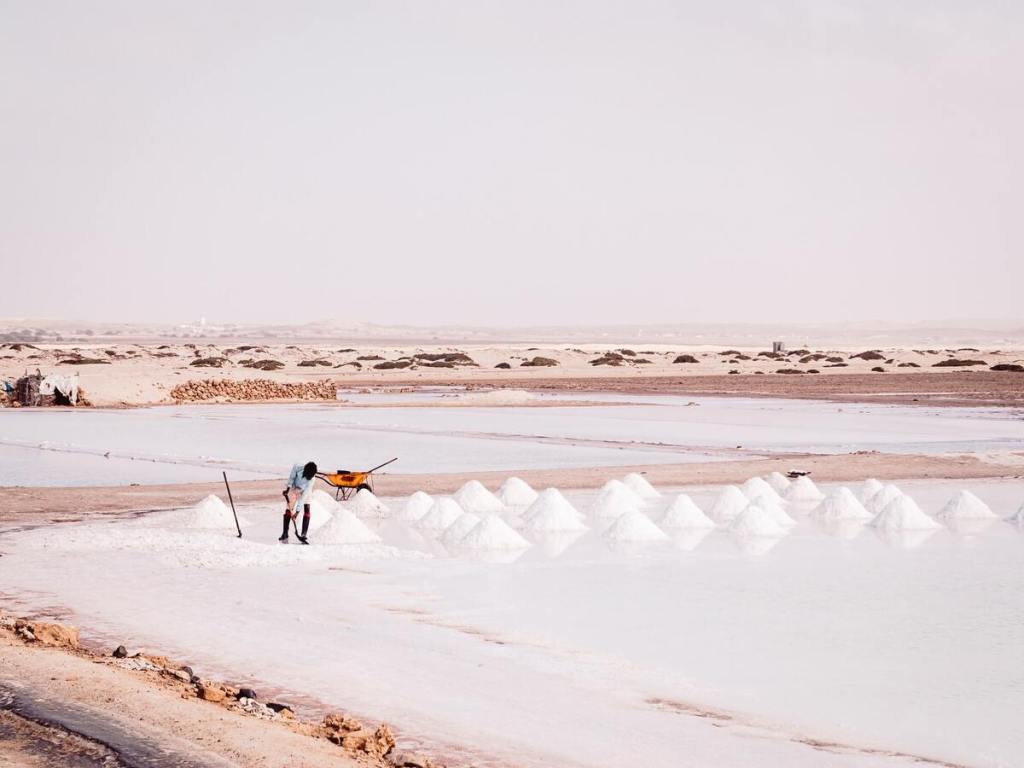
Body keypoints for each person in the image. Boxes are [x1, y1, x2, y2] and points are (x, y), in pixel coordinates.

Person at [281, 461, 318, 544]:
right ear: (305, 472)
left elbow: (303, 497)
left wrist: (297, 513)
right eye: (309, 476)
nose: (310, 478)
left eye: (312, 476)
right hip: (294, 488)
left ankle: (303, 534)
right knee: (288, 508)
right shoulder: (297, 467)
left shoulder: (312, 480)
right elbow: (291, 478)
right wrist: (287, 489)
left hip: (305, 491)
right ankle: (285, 533)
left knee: (307, 508)